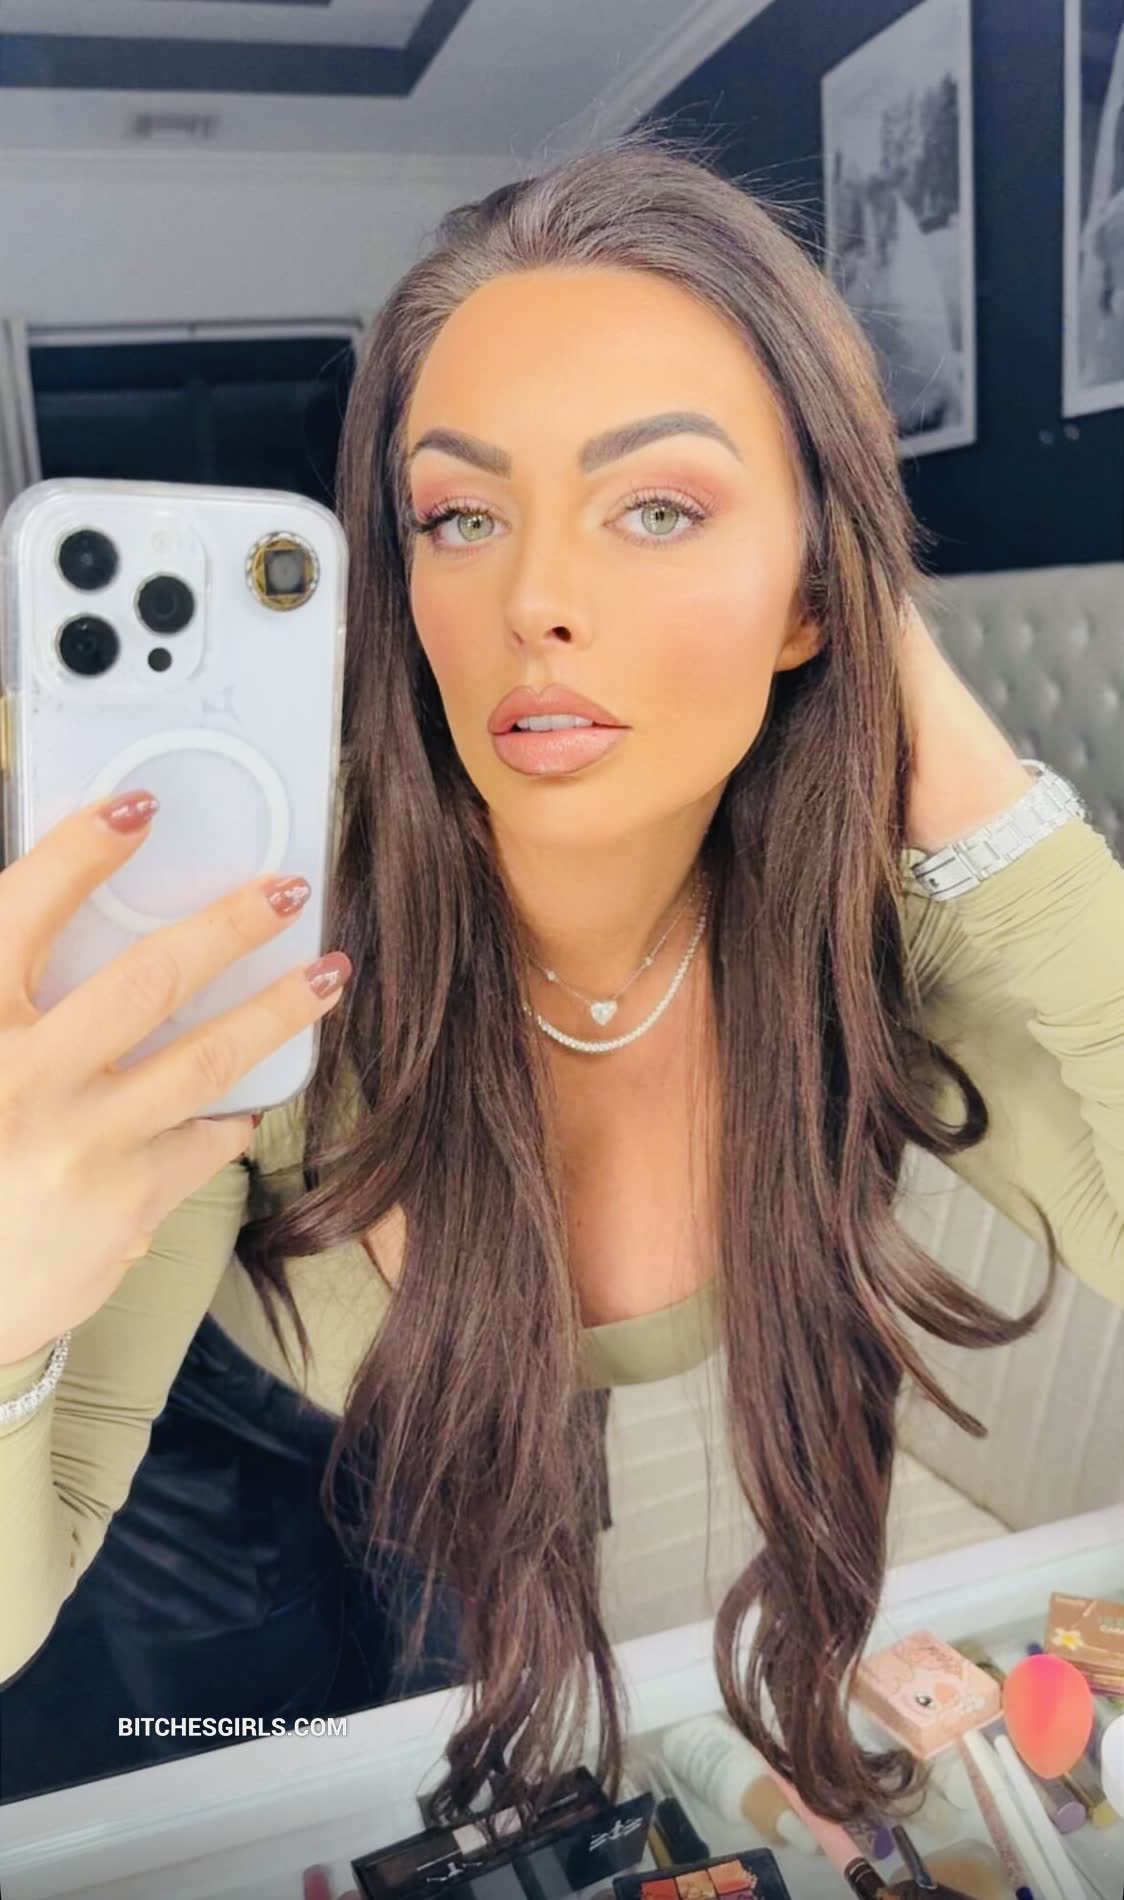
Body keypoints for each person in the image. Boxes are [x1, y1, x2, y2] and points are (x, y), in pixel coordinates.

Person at [1, 124, 1122, 1829]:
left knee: (454, 1803)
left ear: (816, 591)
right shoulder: (276, 930)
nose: (535, 598)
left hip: (483, 1512)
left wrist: (966, 778)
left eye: (658, 508)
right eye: (460, 516)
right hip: (221, 1468)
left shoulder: (895, 936)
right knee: (218, 1782)